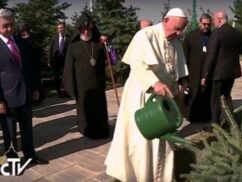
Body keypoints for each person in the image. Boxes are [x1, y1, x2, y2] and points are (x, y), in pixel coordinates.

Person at [105, 8, 189, 181]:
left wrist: (182, 81)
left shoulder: (176, 42)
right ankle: (140, 175)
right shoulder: (145, 35)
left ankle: (162, 176)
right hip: (142, 95)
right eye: (177, 28)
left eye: (182, 29)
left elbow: (177, 68)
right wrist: (154, 82)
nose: (179, 33)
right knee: (142, 140)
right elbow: (137, 64)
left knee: (164, 140)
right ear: (166, 20)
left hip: (164, 98)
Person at [0, 8, 48, 164]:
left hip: (25, 94)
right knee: (10, 133)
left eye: (11, 25)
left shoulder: (21, 42)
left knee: (27, 129)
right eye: (5, 26)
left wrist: (34, 88)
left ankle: (30, 156)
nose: (9, 29)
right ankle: (13, 161)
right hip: (7, 98)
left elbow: (30, 67)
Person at [63, 13, 109, 139]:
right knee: (85, 108)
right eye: (83, 29)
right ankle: (86, 129)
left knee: (99, 107)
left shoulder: (98, 44)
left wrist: (106, 46)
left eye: (88, 29)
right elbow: (68, 68)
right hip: (81, 84)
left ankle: (102, 129)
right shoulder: (73, 46)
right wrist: (71, 87)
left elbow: (108, 61)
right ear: (79, 30)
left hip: (97, 83)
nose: (86, 31)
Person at [201, 11, 242, 126]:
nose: (214, 22)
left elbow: (211, 55)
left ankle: (216, 126)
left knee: (215, 99)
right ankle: (232, 124)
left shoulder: (217, 33)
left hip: (218, 73)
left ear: (220, 19)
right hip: (232, 72)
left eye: (215, 20)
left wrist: (205, 74)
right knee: (227, 96)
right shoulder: (236, 33)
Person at [182, 13, 212, 123]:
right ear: (200, 23)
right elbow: (184, 55)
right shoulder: (190, 36)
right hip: (193, 71)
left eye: (208, 24)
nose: (206, 27)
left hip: (208, 71)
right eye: (204, 24)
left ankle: (205, 117)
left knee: (206, 95)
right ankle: (191, 116)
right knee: (193, 94)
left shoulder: (213, 36)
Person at [17, 22, 43, 104]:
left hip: (34, 66)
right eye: (22, 31)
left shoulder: (32, 39)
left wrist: (28, 41)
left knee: (35, 83)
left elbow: (38, 50)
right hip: (24, 68)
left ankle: (37, 99)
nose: (24, 33)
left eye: (26, 30)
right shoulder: (17, 40)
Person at [48, 21, 70, 97]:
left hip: (65, 61)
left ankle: (66, 92)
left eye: (62, 28)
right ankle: (59, 92)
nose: (61, 29)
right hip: (55, 61)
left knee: (66, 77)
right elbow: (50, 49)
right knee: (56, 78)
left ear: (65, 28)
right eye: (59, 28)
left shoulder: (68, 38)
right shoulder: (54, 38)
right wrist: (49, 60)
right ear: (57, 29)